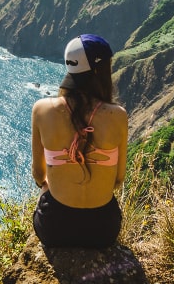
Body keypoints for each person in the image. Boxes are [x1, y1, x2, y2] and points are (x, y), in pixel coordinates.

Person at [31, 34, 129, 248]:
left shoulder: (42, 109)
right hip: (104, 230)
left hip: (55, 229)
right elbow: (118, 180)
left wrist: (52, 185)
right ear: (100, 70)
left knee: (47, 196)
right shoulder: (118, 115)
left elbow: (39, 175)